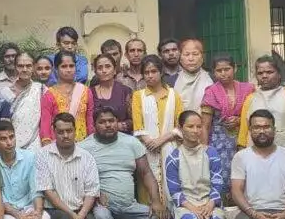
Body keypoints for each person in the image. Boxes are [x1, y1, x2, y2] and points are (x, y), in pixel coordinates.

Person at [82, 107, 170, 219]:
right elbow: (77, 178)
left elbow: (145, 173)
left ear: (117, 122)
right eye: (102, 122)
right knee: (101, 218)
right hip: (102, 205)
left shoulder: (131, 143)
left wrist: (156, 201)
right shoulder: (85, 147)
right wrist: (95, 193)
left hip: (129, 205)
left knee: (163, 217)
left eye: (111, 121)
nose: (108, 125)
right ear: (94, 125)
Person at [130, 55, 181, 204]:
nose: (150, 75)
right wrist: (150, 142)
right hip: (146, 149)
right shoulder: (138, 96)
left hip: (169, 147)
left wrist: (161, 140)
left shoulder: (173, 94)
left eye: (153, 71)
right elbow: (138, 126)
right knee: (147, 190)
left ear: (161, 72)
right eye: (146, 72)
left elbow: (180, 125)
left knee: (171, 186)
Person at [200, 54, 255, 186]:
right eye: (219, 71)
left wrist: (239, 120)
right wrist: (204, 149)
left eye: (227, 69)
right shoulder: (211, 92)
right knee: (222, 177)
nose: (223, 73)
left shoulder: (248, 89)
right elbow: (205, 125)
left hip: (244, 140)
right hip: (219, 143)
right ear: (214, 72)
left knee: (246, 174)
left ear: (234, 68)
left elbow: (255, 115)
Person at [237, 56, 285, 153]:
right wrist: (241, 152)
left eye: (269, 72)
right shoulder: (250, 99)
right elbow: (244, 131)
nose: (264, 76)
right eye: (260, 73)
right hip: (256, 155)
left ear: (279, 74)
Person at [40, 52, 95, 144]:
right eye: (64, 66)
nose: (69, 70)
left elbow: (89, 120)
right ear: (56, 69)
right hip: (58, 145)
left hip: (83, 144)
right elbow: (45, 123)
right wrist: (47, 144)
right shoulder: (49, 94)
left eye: (71, 66)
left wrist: (91, 142)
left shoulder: (85, 91)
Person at [0, 51, 46, 152]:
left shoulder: (41, 90)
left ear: (34, 67)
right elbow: (1, 123)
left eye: (28, 66)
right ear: (15, 67)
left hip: (35, 147)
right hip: (11, 148)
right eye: (20, 66)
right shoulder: (5, 93)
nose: (24, 69)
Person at [89, 53, 133, 133]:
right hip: (97, 139)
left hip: (122, 138)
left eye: (108, 66)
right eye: (100, 68)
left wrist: (119, 126)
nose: (104, 71)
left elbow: (135, 120)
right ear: (95, 72)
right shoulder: (89, 93)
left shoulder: (126, 91)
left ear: (115, 70)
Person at [172, 39, 215, 111]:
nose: (191, 58)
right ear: (180, 58)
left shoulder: (213, 79)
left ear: (202, 57)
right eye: (186, 54)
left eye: (195, 54)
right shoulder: (171, 81)